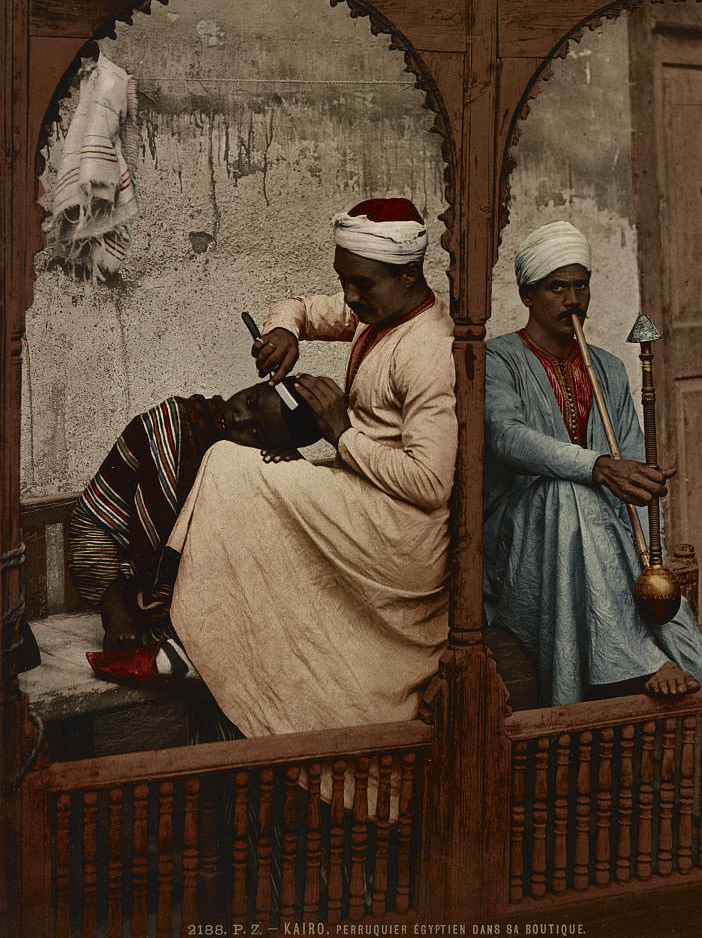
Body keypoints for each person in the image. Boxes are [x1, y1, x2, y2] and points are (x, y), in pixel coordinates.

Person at [165, 197, 457, 737]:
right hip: (362, 496)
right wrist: (284, 331)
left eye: (360, 283)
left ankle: (192, 623)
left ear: (409, 274)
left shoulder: (430, 350)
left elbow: (431, 483)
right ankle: (203, 621)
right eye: (343, 280)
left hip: (400, 534)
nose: (349, 296)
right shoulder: (379, 309)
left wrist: (340, 431)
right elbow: (299, 307)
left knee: (229, 464)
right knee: (240, 464)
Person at [483, 220, 702, 706]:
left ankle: (657, 657)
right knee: (569, 491)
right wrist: (598, 467)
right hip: (523, 543)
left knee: (694, 658)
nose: (573, 301)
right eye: (557, 288)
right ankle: (638, 663)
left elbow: (631, 461)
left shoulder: (607, 366)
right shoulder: (497, 359)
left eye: (581, 286)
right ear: (526, 295)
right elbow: (506, 436)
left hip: (607, 537)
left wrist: (647, 508)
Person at [69, 378, 320, 652]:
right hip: (138, 605)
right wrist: (116, 615)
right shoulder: (167, 426)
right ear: (258, 385)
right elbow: (90, 521)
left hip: (211, 618)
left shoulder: (267, 472)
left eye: (256, 431)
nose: (239, 419)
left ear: (276, 448)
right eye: (251, 402)